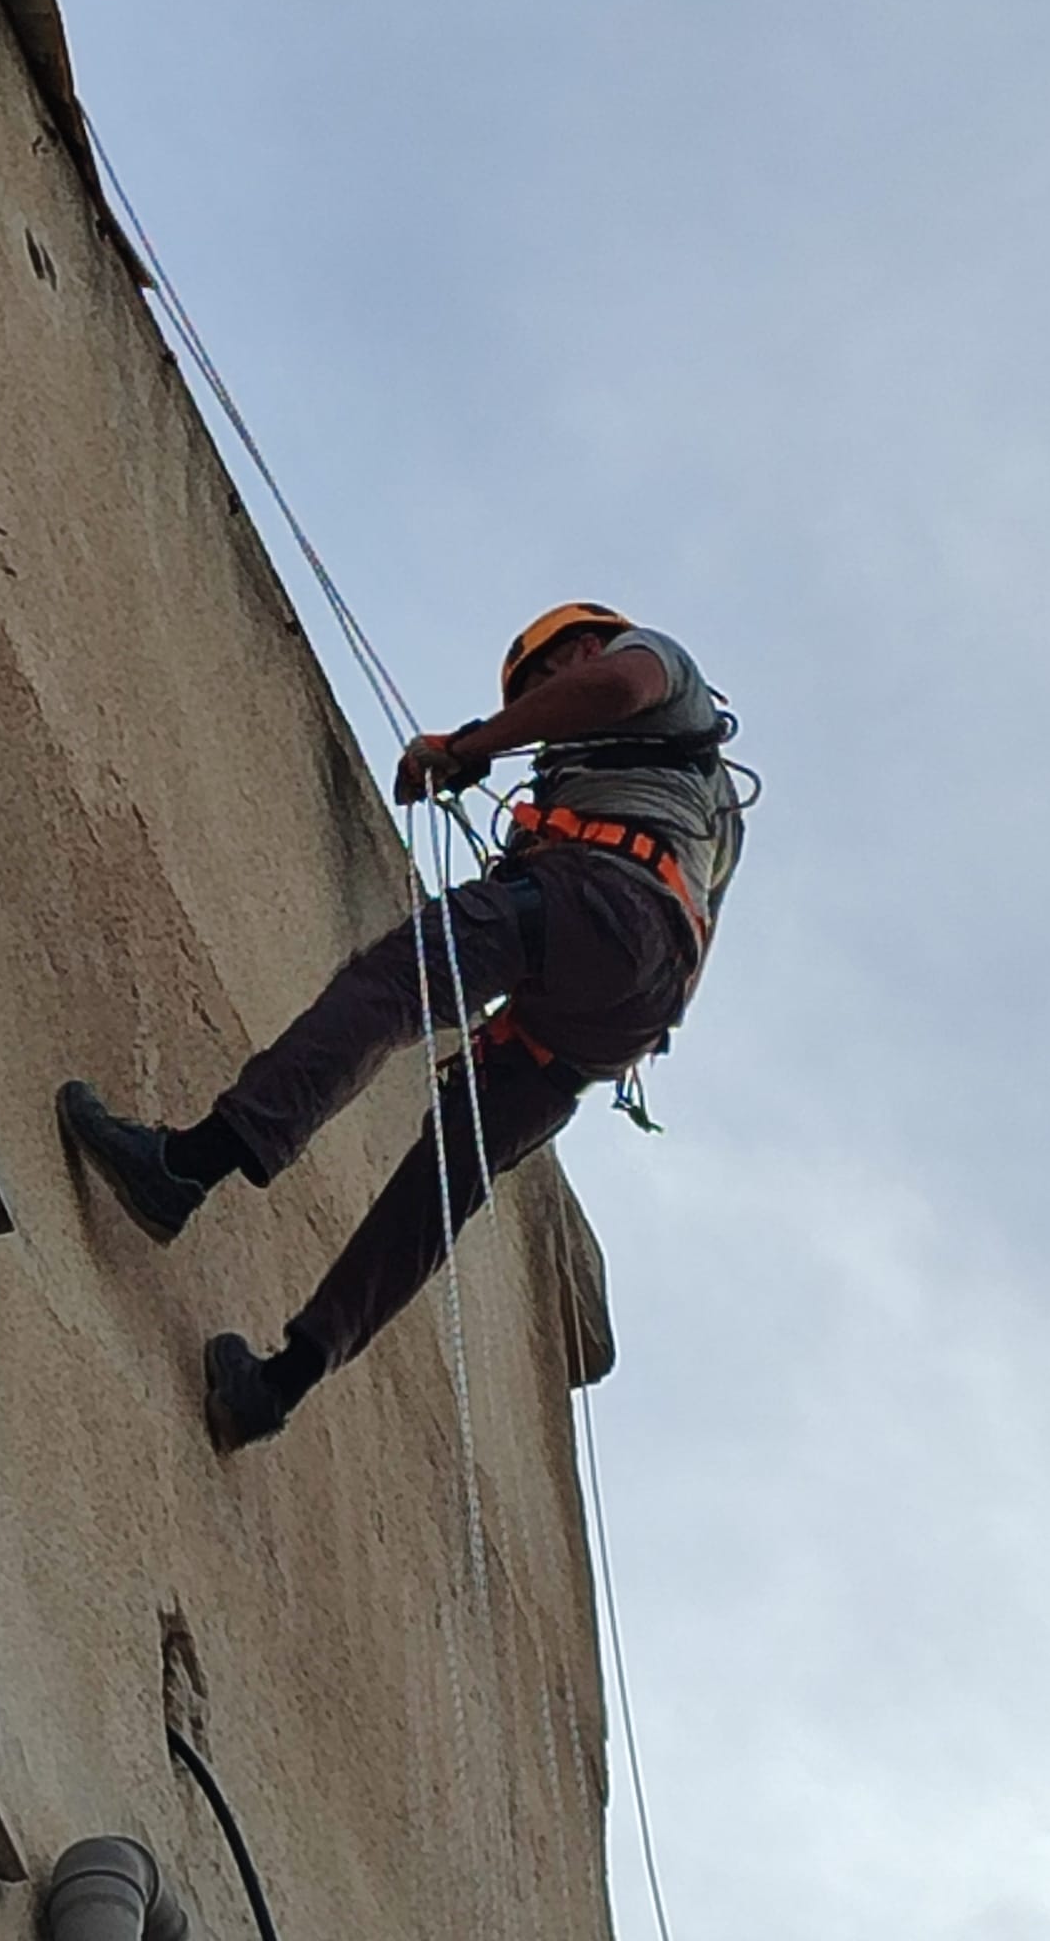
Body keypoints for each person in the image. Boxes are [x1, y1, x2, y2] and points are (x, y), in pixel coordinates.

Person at [57, 603, 746, 1451]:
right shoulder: (705, 804)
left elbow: (612, 688)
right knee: (447, 1175)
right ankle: (274, 1387)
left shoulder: (649, 662)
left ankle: (185, 1167)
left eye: (541, 683)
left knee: (392, 983)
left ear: (578, 644)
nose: (544, 713)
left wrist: (468, 748)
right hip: (620, 1008)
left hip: (600, 904)